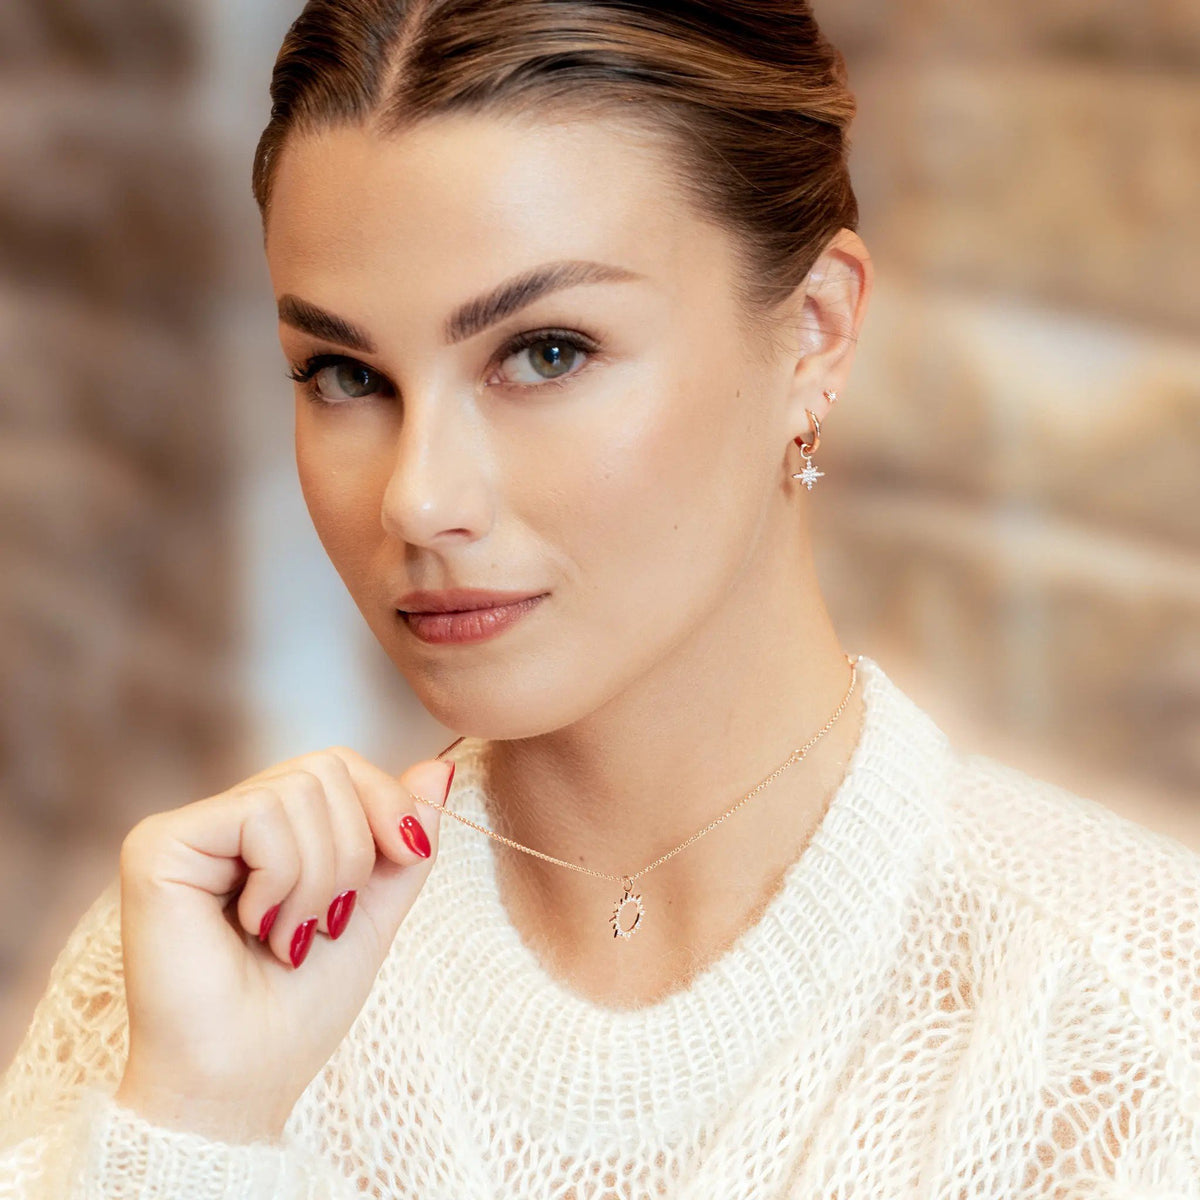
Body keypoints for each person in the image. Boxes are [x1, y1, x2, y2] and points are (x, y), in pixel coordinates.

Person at [2, 1, 1198, 1196]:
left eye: (546, 352)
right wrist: (200, 1132)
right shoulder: (177, 990)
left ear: (815, 332)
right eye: (346, 374)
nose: (419, 499)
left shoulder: (1128, 1016)